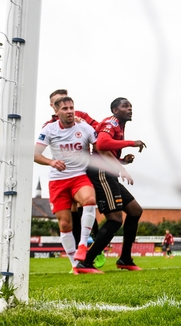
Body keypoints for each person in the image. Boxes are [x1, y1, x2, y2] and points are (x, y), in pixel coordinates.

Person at [76, 97, 147, 272]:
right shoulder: (111, 122)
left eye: (130, 106)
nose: (130, 109)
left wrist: (122, 161)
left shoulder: (119, 126)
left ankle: (125, 259)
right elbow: (101, 144)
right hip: (101, 173)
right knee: (115, 220)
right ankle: (86, 262)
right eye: (125, 106)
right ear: (115, 110)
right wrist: (132, 143)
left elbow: (104, 152)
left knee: (135, 211)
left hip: (108, 173)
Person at [33, 96, 100, 274]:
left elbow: (100, 147)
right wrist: (51, 162)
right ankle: (75, 266)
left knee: (89, 199)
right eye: (65, 109)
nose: (69, 111)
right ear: (56, 111)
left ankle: (83, 244)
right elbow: (35, 154)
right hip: (58, 180)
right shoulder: (49, 129)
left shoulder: (84, 128)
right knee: (64, 224)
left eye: (71, 108)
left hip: (79, 176)